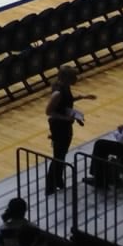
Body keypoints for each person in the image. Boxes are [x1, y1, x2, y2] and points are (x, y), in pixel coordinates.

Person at [44, 65, 95, 193]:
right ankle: (50, 185)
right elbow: (49, 112)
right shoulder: (58, 93)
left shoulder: (64, 86)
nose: (76, 78)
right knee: (58, 155)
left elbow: (67, 101)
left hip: (64, 124)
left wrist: (82, 97)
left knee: (61, 154)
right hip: (59, 125)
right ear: (66, 77)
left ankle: (58, 180)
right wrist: (65, 119)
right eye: (73, 76)